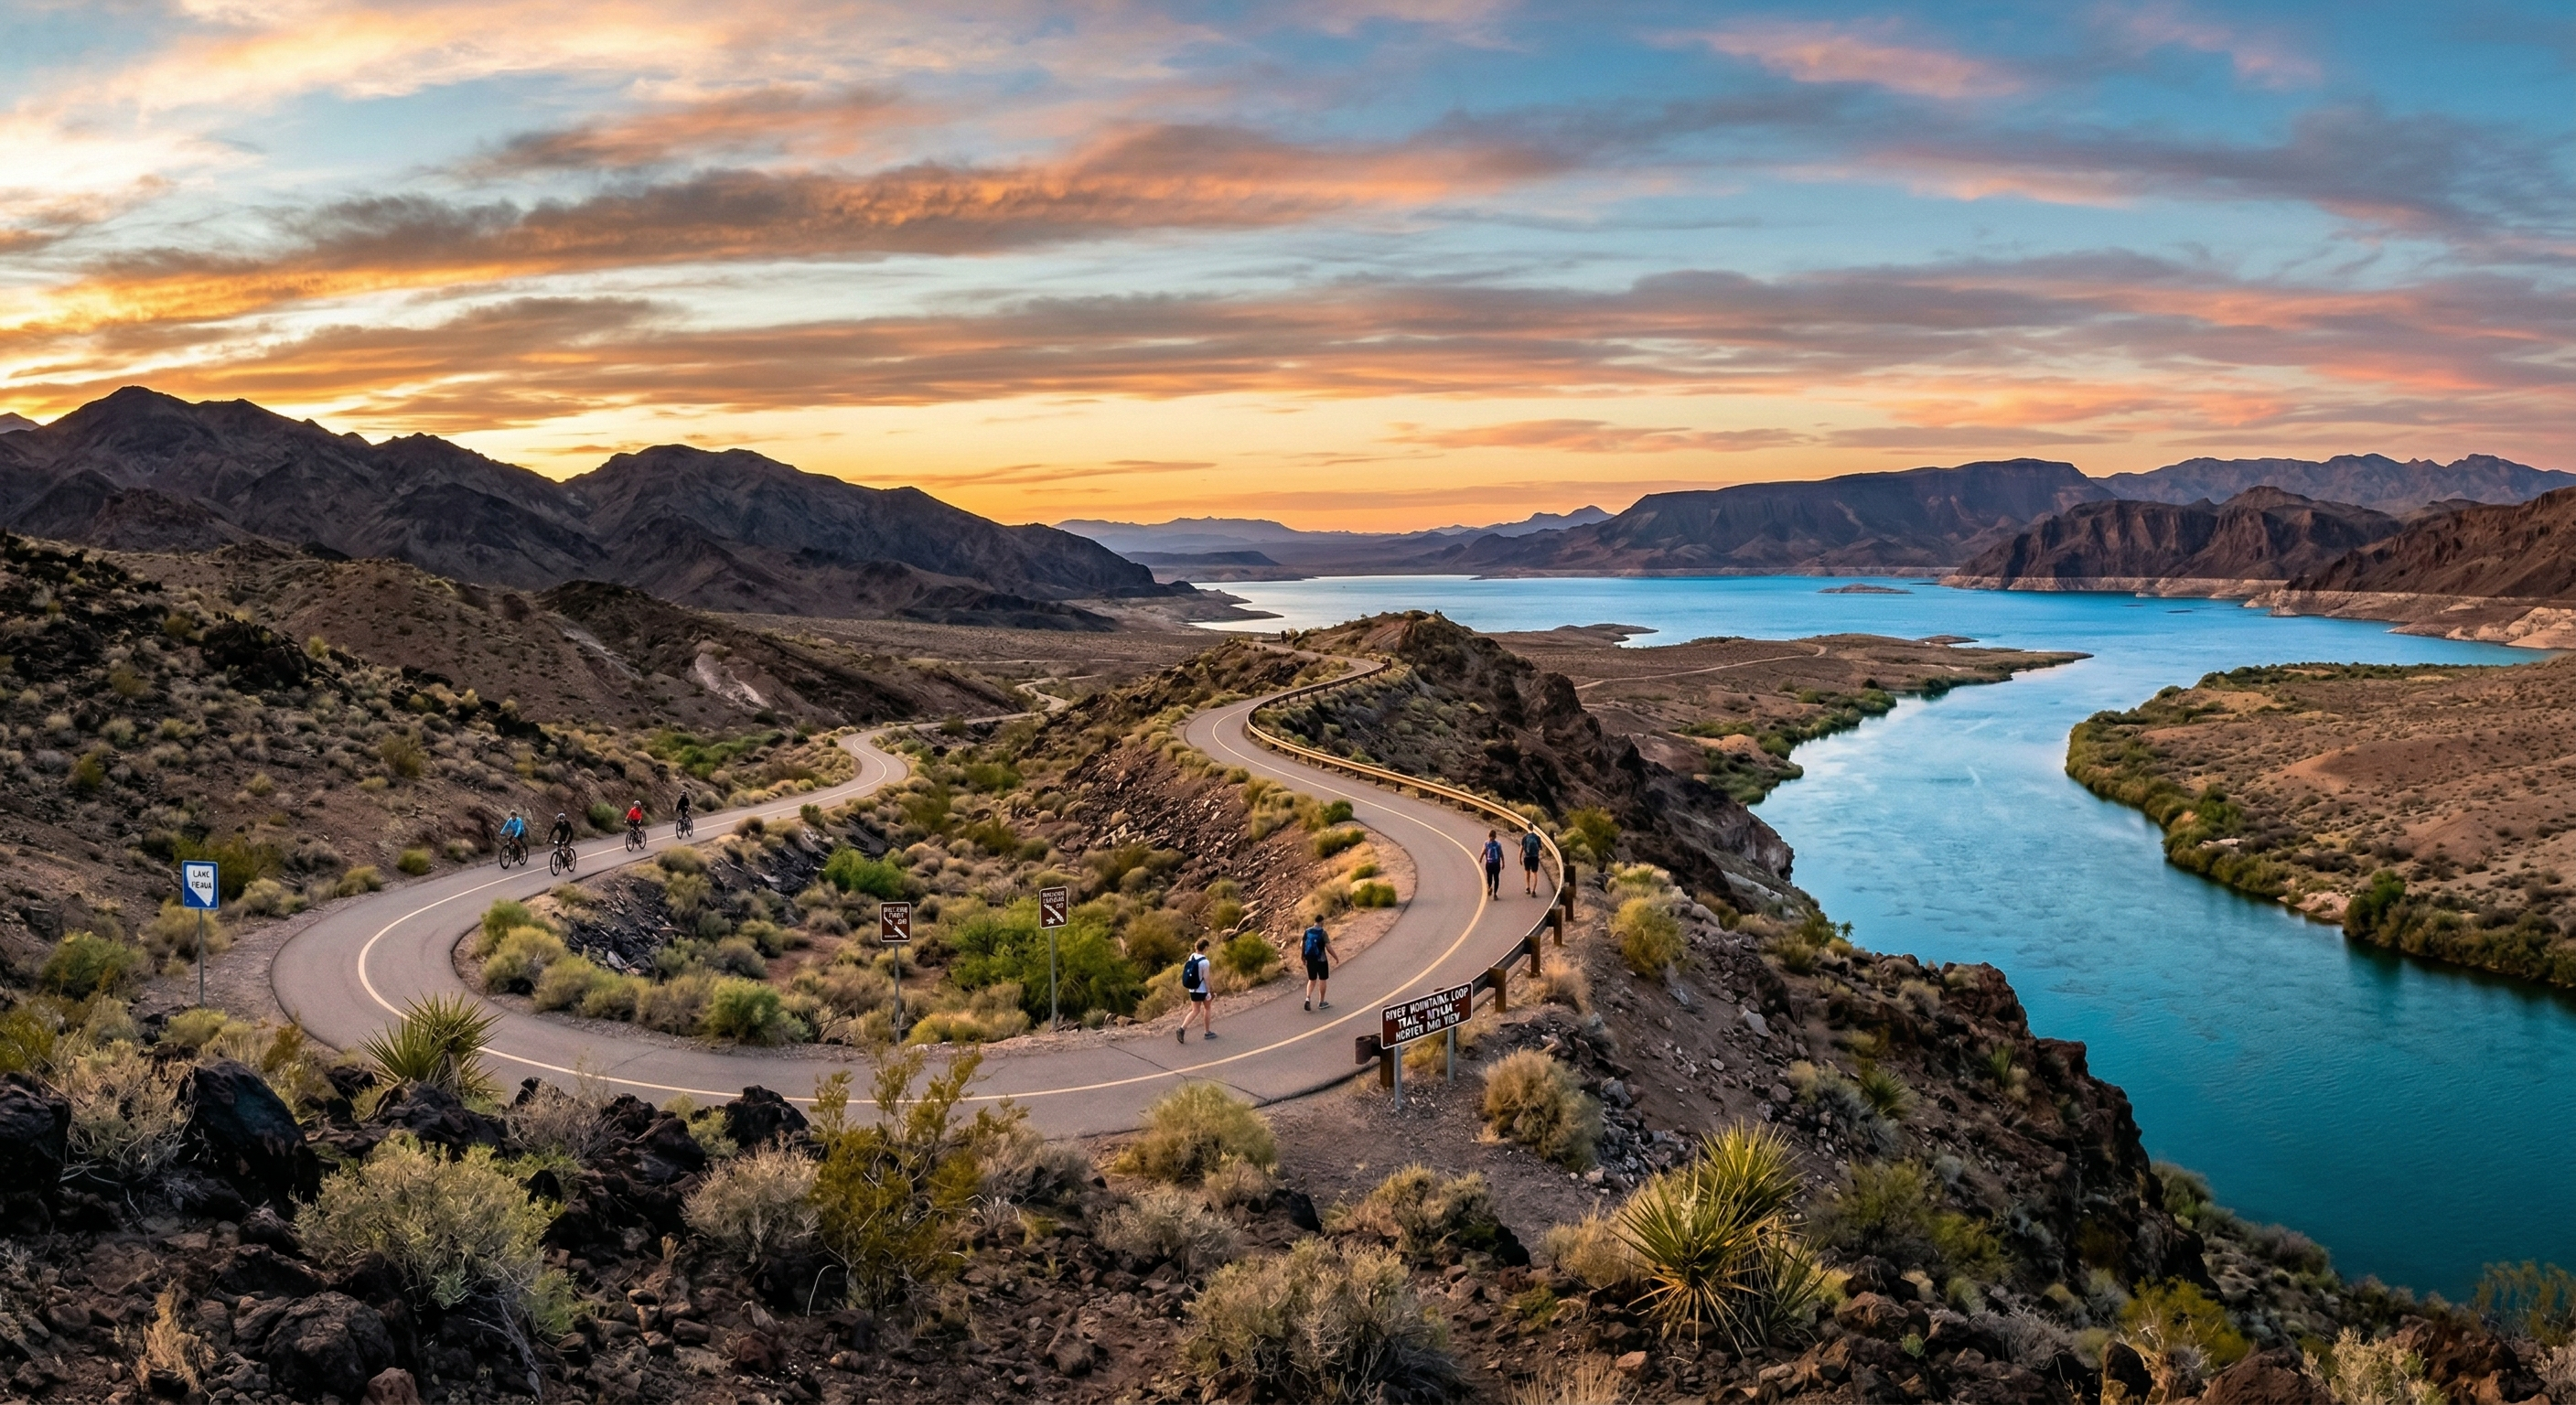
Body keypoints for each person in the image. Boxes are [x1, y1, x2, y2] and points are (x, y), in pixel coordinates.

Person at [1178, 938, 1215, 1042]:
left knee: (1195, 1010)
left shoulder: (1192, 957)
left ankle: (1182, 1028)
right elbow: (1206, 978)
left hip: (1193, 989)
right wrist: (1208, 992)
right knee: (1207, 1008)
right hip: (1202, 989)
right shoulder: (1205, 962)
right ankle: (1207, 1032)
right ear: (1205, 948)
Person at [1302, 919, 1336, 1012]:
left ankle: (1308, 998)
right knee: (1322, 979)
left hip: (1310, 960)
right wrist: (1335, 957)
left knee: (1312, 980)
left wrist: (1303, 958)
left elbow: (1303, 945)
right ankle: (1321, 1002)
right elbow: (1328, 947)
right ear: (1321, 922)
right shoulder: (1323, 932)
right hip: (1321, 960)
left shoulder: (1307, 931)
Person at [1520, 824, 1544, 896]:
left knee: (1527, 872)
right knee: (1535, 873)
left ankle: (1528, 887)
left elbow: (1521, 848)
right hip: (1535, 857)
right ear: (1533, 828)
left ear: (1527, 828)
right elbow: (1540, 848)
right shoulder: (1537, 837)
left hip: (1527, 857)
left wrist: (1519, 858)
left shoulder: (1525, 837)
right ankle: (1534, 891)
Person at [1481, 829, 1505, 899]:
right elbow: (1483, 851)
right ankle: (1490, 887)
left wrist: (1503, 862)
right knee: (1489, 877)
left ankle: (1495, 893)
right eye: (1490, 836)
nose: (1491, 838)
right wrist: (1480, 858)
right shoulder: (1486, 843)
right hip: (1489, 863)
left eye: (1492, 836)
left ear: (1495, 837)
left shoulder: (1498, 844)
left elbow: (1501, 853)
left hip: (1496, 863)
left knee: (1496, 878)